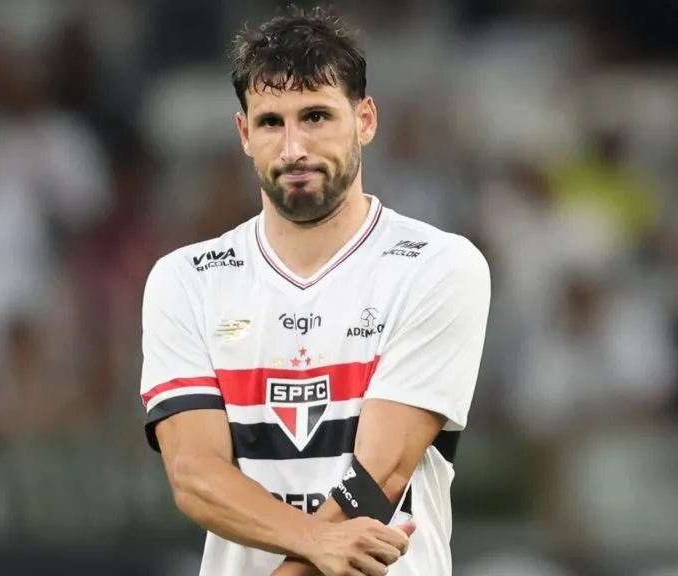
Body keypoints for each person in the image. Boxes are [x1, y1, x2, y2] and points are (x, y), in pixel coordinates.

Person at [138, 7, 491, 576]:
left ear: (366, 120)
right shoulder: (187, 280)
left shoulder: (438, 266)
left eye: (317, 116)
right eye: (272, 122)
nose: (294, 148)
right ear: (243, 134)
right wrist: (318, 541)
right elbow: (195, 477)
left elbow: (380, 477)